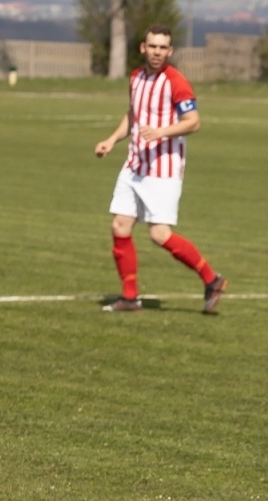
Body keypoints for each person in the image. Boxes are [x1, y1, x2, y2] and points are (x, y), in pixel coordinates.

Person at [94, 25, 225, 313]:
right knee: (120, 225)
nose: (157, 52)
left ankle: (212, 279)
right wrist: (111, 140)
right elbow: (133, 115)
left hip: (163, 169)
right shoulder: (136, 77)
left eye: (162, 48)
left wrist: (163, 132)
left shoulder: (176, 82)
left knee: (159, 234)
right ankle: (130, 298)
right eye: (152, 46)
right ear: (143, 47)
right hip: (135, 163)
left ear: (170, 51)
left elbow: (194, 121)